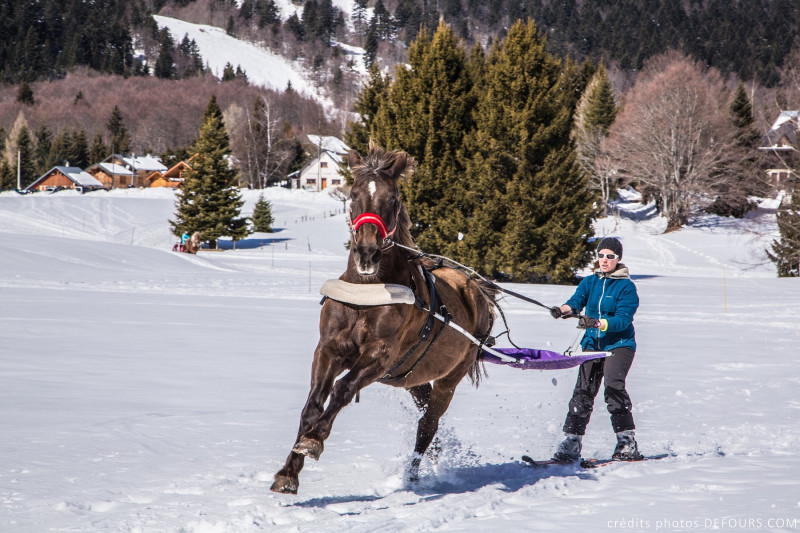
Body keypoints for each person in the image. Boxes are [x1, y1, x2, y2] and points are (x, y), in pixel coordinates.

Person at [549, 237, 642, 462]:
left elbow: (623, 319)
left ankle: (626, 442)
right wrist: (563, 309)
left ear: (618, 259)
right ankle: (571, 442)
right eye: (601, 255)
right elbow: (576, 301)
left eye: (610, 256)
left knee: (613, 387)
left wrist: (599, 323)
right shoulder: (590, 282)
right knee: (583, 392)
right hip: (592, 344)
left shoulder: (626, 287)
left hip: (619, 345)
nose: (604, 260)